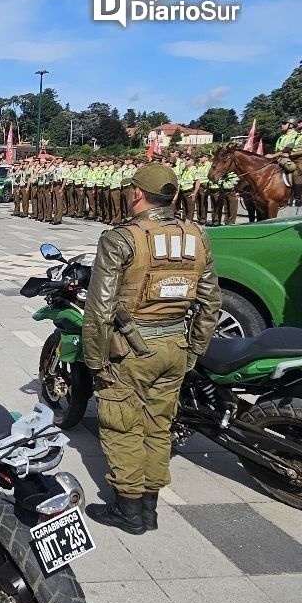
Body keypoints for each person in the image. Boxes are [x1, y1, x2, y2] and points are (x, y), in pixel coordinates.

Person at [82, 164, 221, 535]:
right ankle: (149, 508)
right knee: (159, 426)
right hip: (175, 345)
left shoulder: (121, 239)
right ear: (173, 196)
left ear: (137, 194)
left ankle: (129, 511)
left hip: (130, 349)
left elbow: (99, 309)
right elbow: (211, 303)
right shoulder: (196, 236)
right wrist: (193, 350)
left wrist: (94, 360)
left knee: (122, 425)